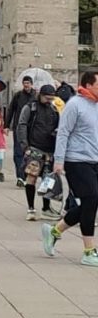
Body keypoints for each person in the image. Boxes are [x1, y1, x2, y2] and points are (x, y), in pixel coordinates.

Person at [42, 69, 98, 265]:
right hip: (76, 160)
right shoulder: (74, 105)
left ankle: (55, 231)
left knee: (91, 203)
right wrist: (59, 160)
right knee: (91, 198)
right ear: (89, 85)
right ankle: (89, 251)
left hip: (95, 160)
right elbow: (63, 132)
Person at [17, 85, 59, 221]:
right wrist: (24, 145)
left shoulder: (53, 109)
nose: (49, 101)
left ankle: (46, 208)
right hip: (34, 148)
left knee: (48, 180)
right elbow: (22, 125)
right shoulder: (30, 108)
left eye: (51, 98)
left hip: (49, 150)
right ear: (41, 95)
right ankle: (31, 208)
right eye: (47, 98)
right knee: (31, 178)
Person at [5, 75, 36, 187]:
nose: (26, 85)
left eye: (28, 83)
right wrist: (6, 125)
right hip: (19, 128)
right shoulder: (18, 96)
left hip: (32, 130)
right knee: (18, 153)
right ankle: (20, 176)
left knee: (29, 154)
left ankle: (26, 175)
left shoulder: (36, 96)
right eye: (25, 83)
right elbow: (11, 110)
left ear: (31, 84)